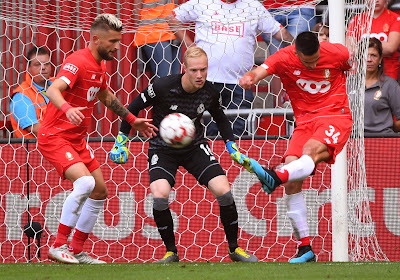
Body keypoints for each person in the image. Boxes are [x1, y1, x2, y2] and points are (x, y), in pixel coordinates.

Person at [109, 46, 258, 263]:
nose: (199, 75)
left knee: (224, 191)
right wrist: (122, 140)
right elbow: (132, 107)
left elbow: (221, 118)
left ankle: (235, 249)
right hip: (162, 147)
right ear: (184, 69)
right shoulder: (162, 86)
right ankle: (171, 252)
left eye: (203, 70)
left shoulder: (210, 91)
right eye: (194, 70)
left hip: (194, 146)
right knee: (159, 196)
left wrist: (232, 147)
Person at [37, 14, 157, 264]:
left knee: (100, 190)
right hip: (55, 136)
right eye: (113, 41)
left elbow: (104, 94)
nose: (117, 46)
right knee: (85, 184)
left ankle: (77, 250)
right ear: (95, 39)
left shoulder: (100, 65)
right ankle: (58, 246)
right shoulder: (77, 62)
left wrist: (132, 119)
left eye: (118, 41)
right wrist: (67, 108)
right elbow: (53, 89)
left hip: (76, 140)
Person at [239, 32, 353, 263]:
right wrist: (250, 78)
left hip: (334, 115)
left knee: (310, 151)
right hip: (304, 122)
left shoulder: (336, 52)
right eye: (307, 61)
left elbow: (351, 62)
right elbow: (260, 71)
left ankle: (273, 176)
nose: (313, 64)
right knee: (292, 180)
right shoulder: (283, 57)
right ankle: (305, 249)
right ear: (296, 52)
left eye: (316, 59)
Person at [168, 0, 294, 137]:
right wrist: (190, 45)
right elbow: (171, 17)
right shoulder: (202, 3)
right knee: (212, 132)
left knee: (238, 133)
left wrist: (300, 48)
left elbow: (279, 32)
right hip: (209, 81)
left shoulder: (252, 5)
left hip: (241, 82)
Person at [262, 0, 317, 106]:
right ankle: (279, 109)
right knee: (276, 61)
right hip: (271, 7)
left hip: (302, 5)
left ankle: (296, 101)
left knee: (296, 55)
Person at [347, 0, 400, 80]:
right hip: (361, 72)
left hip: (387, 72)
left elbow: (391, 48)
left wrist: (362, 46)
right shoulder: (356, 20)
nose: (376, 1)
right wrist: (380, 46)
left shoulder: (395, 18)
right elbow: (350, 48)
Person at [10, 47, 52, 138]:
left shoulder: (58, 85)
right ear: (29, 68)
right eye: (37, 64)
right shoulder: (21, 95)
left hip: (60, 145)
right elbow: (34, 128)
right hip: (33, 149)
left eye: (47, 64)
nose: (43, 68)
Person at [133, 0, 181, 79]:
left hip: (172, 32)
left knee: (175, 80)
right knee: (165, 79)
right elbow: (136, 8)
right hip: (153, 33)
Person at [364, 38, 400, 134]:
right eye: (365, 55)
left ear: (380, 60)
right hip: (354, 140)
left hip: (383, 140)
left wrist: (391, 127)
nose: (369, 59)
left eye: (374, 56)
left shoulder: (390, 85)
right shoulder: (349, 84)